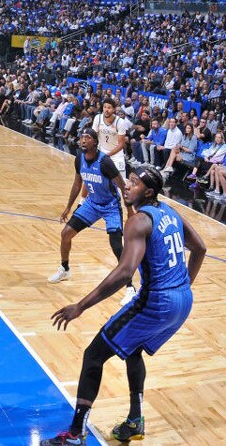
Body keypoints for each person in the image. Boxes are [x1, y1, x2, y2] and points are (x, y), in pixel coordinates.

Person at [41, 166, 205, 445]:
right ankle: (135, 420)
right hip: (182, 301)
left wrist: (80, 306)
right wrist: (183, 286)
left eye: (134, 182)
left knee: (93, 355)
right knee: (133, 349)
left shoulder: (139, 221)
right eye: (128, 180)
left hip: (157, 301)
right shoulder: (171, 212)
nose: (127, 186)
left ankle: (75, 434)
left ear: (148, 192)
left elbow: (125, 271)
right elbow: (200, 248)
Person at [49, 128, 138, 305]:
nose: (82, 140)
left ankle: (130, 287)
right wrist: (68, 207)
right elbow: (77, 183)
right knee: (66, 233)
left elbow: (122, 187)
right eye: (81, 137)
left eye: (87, 137)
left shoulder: (104, 162)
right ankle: (65, 269)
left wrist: (129, 211)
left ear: (95, 142)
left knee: (116, 246)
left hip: (111, 206)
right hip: (91, 204)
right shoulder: (79, 158)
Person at [92, 98, 131, 178]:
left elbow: (121, 144)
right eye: (105, 107)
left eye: (109, 108)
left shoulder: (120, 122)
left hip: (116, 154)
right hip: (101, 151)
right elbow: (93, 137)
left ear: (113, 109)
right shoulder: (98, 118)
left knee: (122, 182)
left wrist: (107, 155)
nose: (106, 110)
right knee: (98, 179)